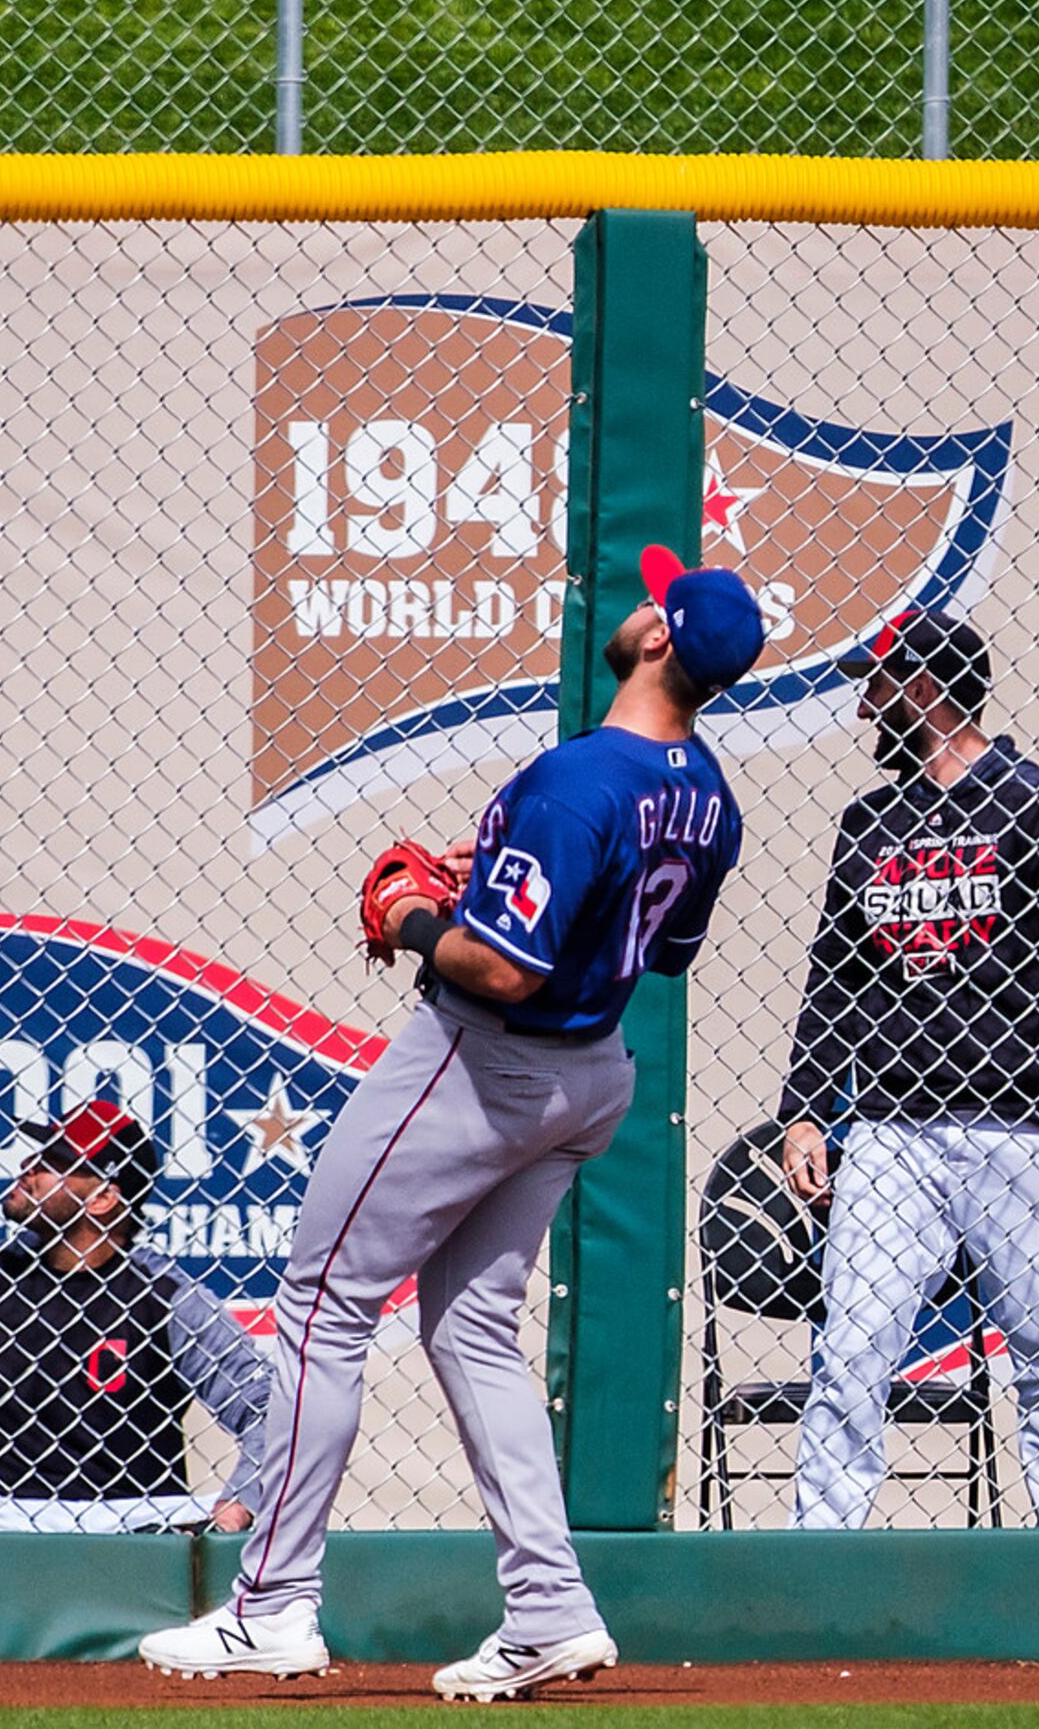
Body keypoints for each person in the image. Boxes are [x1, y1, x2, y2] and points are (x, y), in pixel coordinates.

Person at [140, 546, 764, 1700]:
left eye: (654, 599)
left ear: (664, 640)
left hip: (487, 1063)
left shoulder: (585, 776)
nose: (636, 605)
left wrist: (422, 915)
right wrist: (498, 884)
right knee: (473, 1327)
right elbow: (660, 946)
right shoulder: (709, 792)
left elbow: (504, 971)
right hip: (592, 1079)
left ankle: (271, 1606)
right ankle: (549, 1609)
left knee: (322, 1306)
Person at [780, 609, 1039, 1528]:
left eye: (880, 685)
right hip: (892, 1129)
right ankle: (818, 1553)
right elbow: (838, 976)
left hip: (1024, 1130)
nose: (865, 707)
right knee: (852, 1350)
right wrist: (808, 1110)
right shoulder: (871, 822)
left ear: (925, 690)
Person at [0, 1097, 270, 1534]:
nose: (29, 1163)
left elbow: (269, 1408)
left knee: (204, 1516)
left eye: (54, 1159)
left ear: (101, 1198)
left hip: (127, 1520)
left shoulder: (166, 1296)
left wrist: (238, 1505)